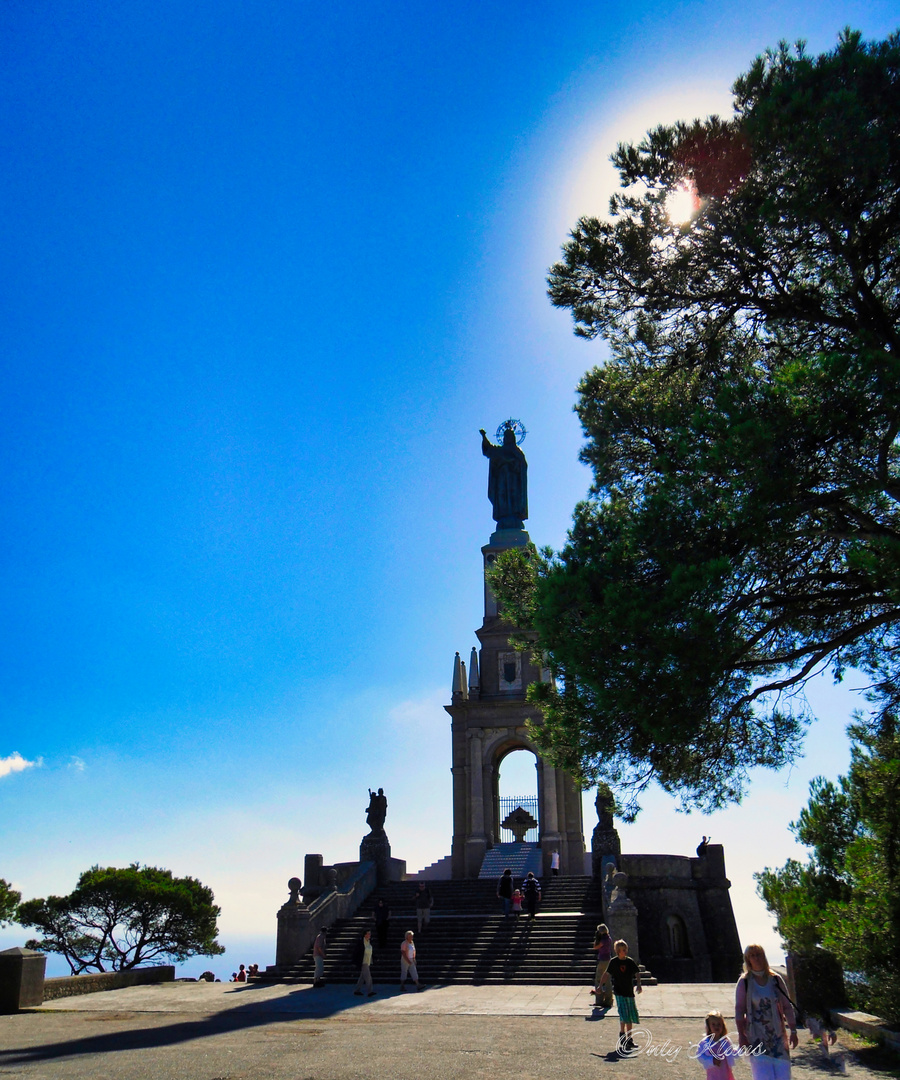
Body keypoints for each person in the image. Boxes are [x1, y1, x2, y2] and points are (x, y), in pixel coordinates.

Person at [735, 944, 798, 1080]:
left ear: (764, 957)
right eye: (752, 956)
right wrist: (741, 1035)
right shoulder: (744, 982)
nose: (756, 958)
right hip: (756, 1037)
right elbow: (739, 1010)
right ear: (748, 959)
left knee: (783, 1076)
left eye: (758, 955)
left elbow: (787, 1006)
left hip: (778, 1037)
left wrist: (793, 1030)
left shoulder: (775, 979)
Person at [609, 939, 642, 1053]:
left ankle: (628, 1038)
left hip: (629, 992)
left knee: (630, 1015)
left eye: (625, 949)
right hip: (619, 992)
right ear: (618, 951)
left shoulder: (630, 962)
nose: (625, 951)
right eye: (622, 950)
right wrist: (600, 986)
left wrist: (639, 984)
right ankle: (624, 1035)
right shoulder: (614, 962)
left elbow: (637, 972)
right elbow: (607, 973)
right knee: (624, 1014)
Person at [697, 1011, 738, 1079]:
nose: (716, 1027)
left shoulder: (725, 1041)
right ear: (709, 1027)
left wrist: (742, 1048)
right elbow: (700, 1056)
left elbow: (732, 1053)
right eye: (713, 1024)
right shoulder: (705, 1043)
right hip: (713, 1074)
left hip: (725, 1073)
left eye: (719, 1024)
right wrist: (712, 1060)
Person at [590, 923, 613, 1005]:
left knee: (598, 979)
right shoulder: (609, 938)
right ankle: (608, 1000)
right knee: (607, 980)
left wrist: (596, 939)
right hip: (608, 959)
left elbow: (595, 947)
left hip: (602, 960)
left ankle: (599, 1000)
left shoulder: (603, 940)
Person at [353, 929, 376, 997]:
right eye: (368, 933)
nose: (369, 935)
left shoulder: (369, 942)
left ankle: (357, 990)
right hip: (363, 962)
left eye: (370, 933)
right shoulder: (361, 942)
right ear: (365, 934)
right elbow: (357, 951)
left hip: (368, 961)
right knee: (368, 977)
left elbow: (370, 951)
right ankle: (370, 991)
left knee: (362, 977)